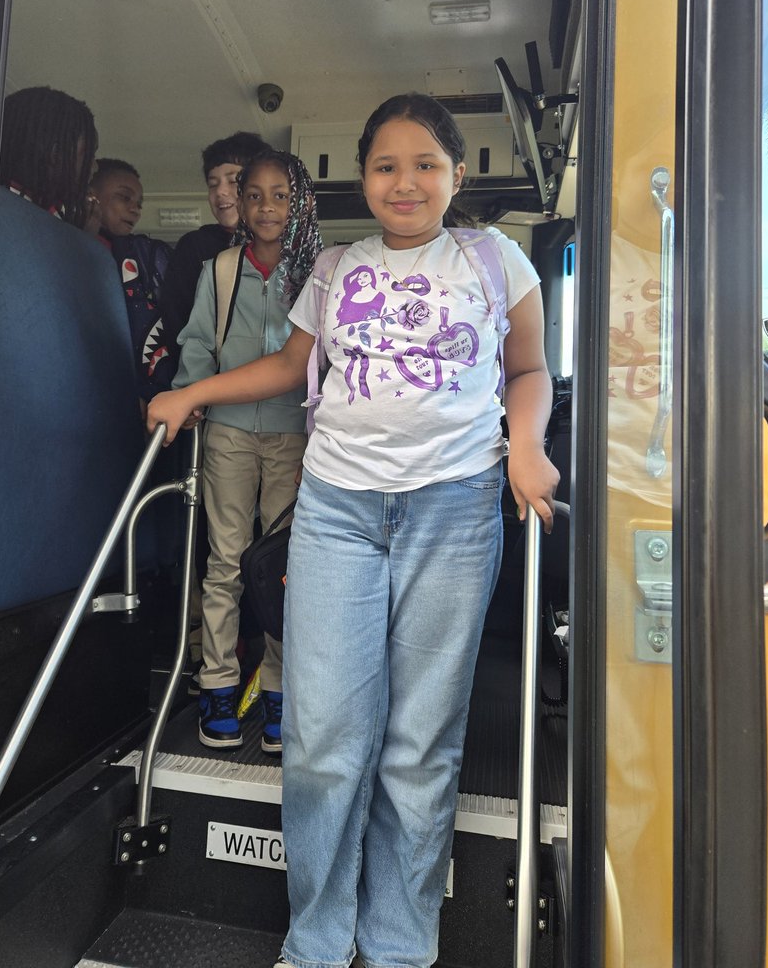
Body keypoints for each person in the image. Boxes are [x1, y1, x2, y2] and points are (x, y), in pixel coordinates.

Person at [147, 93, 558, 968]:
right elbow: (289, 366)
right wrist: (192, 392)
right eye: (385, 166)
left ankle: (400, 947)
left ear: (456, 174)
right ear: (362, 178)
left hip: (454, 509)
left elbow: (527, 369)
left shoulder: (496, 258)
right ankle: (317, 943)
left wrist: (526, 448)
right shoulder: (335, 268)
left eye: (425, 165)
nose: (404, 182)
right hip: (337, 511)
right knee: (324, 739)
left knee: (420, 741)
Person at [172, 148, 322, 755]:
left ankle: (281, 690)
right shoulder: (221, 269)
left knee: (286, 567)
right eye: (253, 195)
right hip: (229, 432)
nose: (266, 207)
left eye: (280, 196)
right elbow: (197, 342)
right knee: (227, 563)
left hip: (293, 435)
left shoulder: (317, 271)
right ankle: (218, 685)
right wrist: (189, 395)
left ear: (299, 203)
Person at [161, 131, 271, 345]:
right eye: (213, 184)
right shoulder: (195, 247)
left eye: (233, 181)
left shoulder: (287, 249)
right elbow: (177, 323)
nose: (220, 191)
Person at [86, 157, 175, 400]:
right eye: (124, 197)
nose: (135, 209)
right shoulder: (62, 243)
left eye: (139, 203)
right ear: (91, 195)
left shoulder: (143, 257)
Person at [0, 86, 98, 228]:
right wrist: (80, 238)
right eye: (88, 155)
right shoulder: (23, 219)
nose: (95, 166)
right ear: (56, 155)